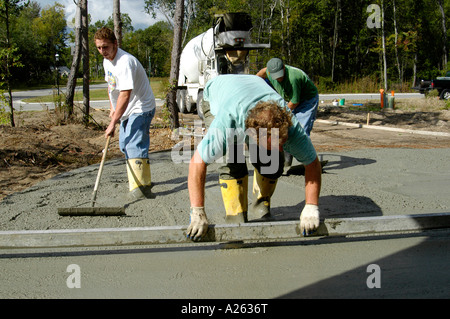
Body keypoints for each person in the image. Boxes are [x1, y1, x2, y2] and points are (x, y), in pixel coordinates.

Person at [186, 74, 322, 241]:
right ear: (253, 136)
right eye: (274, 145)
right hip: (218, 92)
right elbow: (197, 162)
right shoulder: (227, 122)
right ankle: (235, 216)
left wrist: (311, 205)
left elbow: (313, 163)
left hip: (252, 88)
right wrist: (197, 211)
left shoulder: (291, 127)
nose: (280, 148)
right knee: (233, 159)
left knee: (272, 162)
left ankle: (261, 204)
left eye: (282, 143)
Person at [94, 27, 156, 199]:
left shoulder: (125, 61)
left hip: (141, 107)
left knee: (133, 144)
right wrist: (113, 109)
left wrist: (113, 122)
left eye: (105, 47)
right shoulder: (107, 61)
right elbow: (111, 87)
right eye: (99, 48)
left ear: (115, 43)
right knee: (124, 145)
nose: (102, 51)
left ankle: (141, 188)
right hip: (127, 109)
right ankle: (143, 178)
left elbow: (125, 93)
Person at [257, 58, 319, 166]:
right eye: (276, 76)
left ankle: (308, 162)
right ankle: (286, 161)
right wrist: (253, 81)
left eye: (280, 75)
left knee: (301, 130)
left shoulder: (294, 77)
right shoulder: (268, 71)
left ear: (284, 68)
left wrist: (279, 114)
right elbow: (261, 73)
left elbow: (294, 102)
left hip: (307, 101)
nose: (279, 79)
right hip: (289, 99)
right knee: (285, 128)